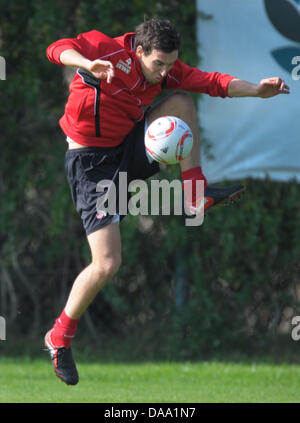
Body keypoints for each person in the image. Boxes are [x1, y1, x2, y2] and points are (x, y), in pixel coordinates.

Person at [44, 18, 290, 385]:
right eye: (158, 64)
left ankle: (196, 194)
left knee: (181, 102)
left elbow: (214, 82)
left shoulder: (166, 72)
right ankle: (59, 337)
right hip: (90, 164)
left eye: (170, 64)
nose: (164, 72)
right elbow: (55, 48)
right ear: (138, 51)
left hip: (125, 150)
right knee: (107, 263)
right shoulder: (105, 49)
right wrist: (84, 64)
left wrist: (256, 90)